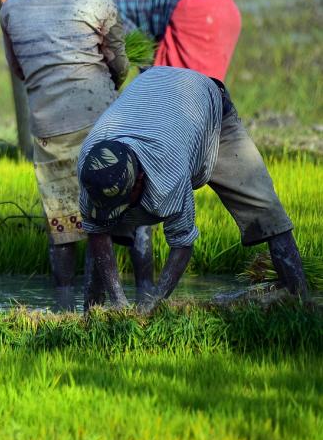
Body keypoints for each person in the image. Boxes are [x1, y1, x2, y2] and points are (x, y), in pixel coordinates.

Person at [0, 0, 150, 310]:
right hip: (102, 122)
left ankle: (63, 310)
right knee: (130, 219)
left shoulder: (12, 7)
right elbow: (118, 63)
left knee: (63, 226)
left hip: (49, 129)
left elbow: (19, 69)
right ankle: (147, 302)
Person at [78, 66, 309, 310]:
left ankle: (301, 302)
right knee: (103, 222)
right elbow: (96, 231)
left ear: (140, 179)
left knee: (264, 209)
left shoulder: (168, 171)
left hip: (207, 109)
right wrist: (119, 303)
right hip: (154, 97)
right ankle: (92, 314)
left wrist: (154, 304)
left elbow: (182, 243)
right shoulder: (91, 163)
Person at [85, 0, 241, 81]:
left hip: (194, 8)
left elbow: (141, 54)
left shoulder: (110, 11)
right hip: (225, 5)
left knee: (170, 94)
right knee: (207, 92)